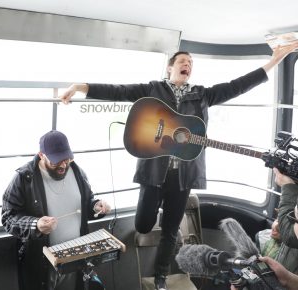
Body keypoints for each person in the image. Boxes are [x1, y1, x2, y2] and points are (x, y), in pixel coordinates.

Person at [59, 43, 298, 290]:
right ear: (170, 67)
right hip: (153, 173)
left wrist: (274, 61)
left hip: (184, 177)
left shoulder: (203, 95)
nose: (188, 65)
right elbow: (118, 91)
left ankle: (161, 277)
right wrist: (79, 87)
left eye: (191, 63)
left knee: (171, 231)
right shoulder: (153, 89)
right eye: (183, 61)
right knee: (142, 225)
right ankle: (159, 212)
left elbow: (238, 86)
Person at [1, 130, 111, 290]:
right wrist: (35, 224)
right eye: (56, 161)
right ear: (41, 155)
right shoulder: (24, 178)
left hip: (76, 257)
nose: (63, 165)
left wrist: (95, 206)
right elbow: (8, 218)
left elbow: (86, 204)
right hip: (41, 263)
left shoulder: (78, 171)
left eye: (66, 159)